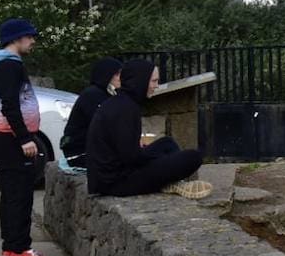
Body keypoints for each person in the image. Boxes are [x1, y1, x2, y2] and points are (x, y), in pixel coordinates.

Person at [85, 59, 212, 199]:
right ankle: (171, 181)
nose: (156, 86)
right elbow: (131, 158)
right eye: (153, 81)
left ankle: (171, 181)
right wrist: (156, 159)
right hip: (116, 183)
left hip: (116, 174)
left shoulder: (122, 103)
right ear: (141, 80)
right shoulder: (125, 109)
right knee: (193, 157)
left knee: (166, 143)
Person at [0, 18, 51, 256]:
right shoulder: (9, 67)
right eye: (29, 37)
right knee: (19, 195)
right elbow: (10, 104)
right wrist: (24, 138)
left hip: (6, 138)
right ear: (16, 39)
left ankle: (11, 247)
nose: (32, 41)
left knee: (13, 193)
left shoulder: (3, 64)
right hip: (11, 139)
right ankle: (18, 249)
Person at [60, 57, 122, 168]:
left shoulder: (106, 94)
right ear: (106, 75)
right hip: (79, 153)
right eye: (117, 74)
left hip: (91, 149)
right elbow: (104, 127)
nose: (120, 78)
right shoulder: (93, 95)